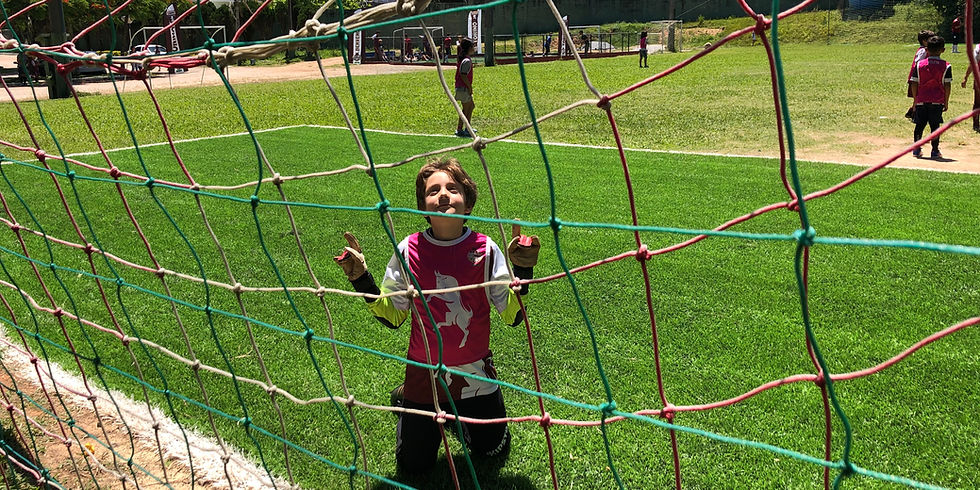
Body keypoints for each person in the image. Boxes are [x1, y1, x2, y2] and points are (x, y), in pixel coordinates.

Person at [334, 157, 540, 473]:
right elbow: (393, 316)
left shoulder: (486, 249)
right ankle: (407, 397)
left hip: (475, 374)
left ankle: (460, 410)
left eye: (452, 188)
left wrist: (523, 274)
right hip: (423, 373)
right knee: (413, 467)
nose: (443, 194)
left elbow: (511, 317)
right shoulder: (408, 249)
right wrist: (361, 279)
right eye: (433, 190)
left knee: (493, 450)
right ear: (423, 205)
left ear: (468, 203)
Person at [910, 35, 952, 158]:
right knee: (935, 126)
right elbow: (947, 85)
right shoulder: (946, 66)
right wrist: (946, 101)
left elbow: (914, 83)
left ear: (926, 49)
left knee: (919, 125)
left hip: (921, 100)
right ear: (943, 50)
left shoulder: (919, 65)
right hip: (937, 101)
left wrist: (915, 99)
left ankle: (916, 149)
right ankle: (934, 150)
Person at [906, 30, 935, 120]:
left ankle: (912, 111)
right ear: (924, 41)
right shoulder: (923, 51)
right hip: (918, 77)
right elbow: (918, 63)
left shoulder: (926, 50)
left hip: (921, 77)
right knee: (918, 98)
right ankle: (914, 113)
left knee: (919, 97)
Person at [454, 38, 476, 138]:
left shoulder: (465, 59)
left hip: (462, 87)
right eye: (473, 46)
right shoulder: (466, 60)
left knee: (469, 107)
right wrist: (469, 87)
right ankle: (465, 129)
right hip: (463, 88)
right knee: (468, 108)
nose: (474, 48)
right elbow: (463, 75)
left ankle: (462, 128)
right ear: (469, 48)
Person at [961, 43, 980, 132]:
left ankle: (976, 124)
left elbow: (973, 63)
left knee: (977, 102)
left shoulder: (978, 48)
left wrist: (966, 77)